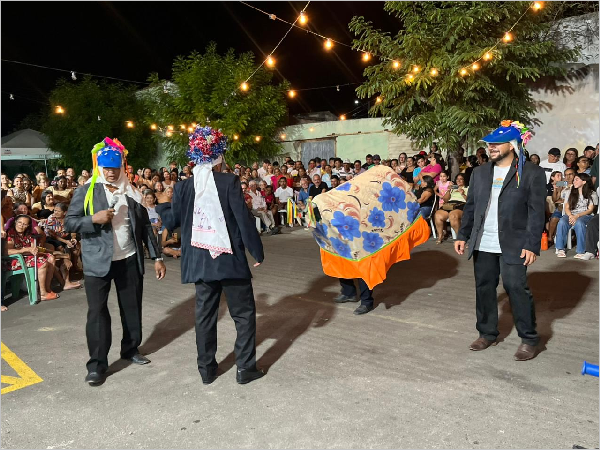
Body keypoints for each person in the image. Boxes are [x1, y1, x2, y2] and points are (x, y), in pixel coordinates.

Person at [156, 127, 265, 386]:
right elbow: (242, 218)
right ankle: (245, 368)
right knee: (243, 314)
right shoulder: (229, 181)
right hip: (229, 260)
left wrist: (162, 205)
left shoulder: (183, 186)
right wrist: (256, 250)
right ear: (218, 157)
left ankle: (206, 370)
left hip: (200, 262)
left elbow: (173, 220)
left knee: (205, 316)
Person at [64, 137, 165, 387]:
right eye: (106, 168)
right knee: (97, 313)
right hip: (97, 262)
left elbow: (145, 227)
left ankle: (130, 349)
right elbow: (69, 222)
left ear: (122, 168)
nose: (111, 172)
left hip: (128, 259)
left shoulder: (132, 193)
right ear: (99, 168)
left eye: (115, 168)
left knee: (131, 308)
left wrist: (157, 257)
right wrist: (93, 219)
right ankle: (97, 365)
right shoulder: (86, 191)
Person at [455, 120, 546, 361]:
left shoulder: (531, 173)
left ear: (512, 145)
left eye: (497, 143)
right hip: (483, 242)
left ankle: (529, 339)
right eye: (489, 144)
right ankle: (486, 333)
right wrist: (463, 235)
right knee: (484, 287)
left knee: (516, 287)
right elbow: (471, 206)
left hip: (515, 242)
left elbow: (537, 212)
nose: (491, 147)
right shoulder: (479, 172)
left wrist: (532, 244)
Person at [3, 214, 59, 301]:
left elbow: (33, 247)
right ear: (15, 222)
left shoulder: (29, 234)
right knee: (42, 262)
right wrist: (25, 249)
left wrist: (34, 249)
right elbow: (7, 252)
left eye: (24, 224)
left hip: (27, 257)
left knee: (51, 258)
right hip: (13, 260)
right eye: (19, 223)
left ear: (28, 225)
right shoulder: (10, 234)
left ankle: (47, 289)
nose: (21, 226)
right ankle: (43, 293)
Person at [555, 173, 595, 258]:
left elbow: (590, 210)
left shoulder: (591, 193)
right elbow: (566, 207)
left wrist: (577, 216)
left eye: (576, 179)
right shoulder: (569, 190)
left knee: (579, 223)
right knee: (562, 222)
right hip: (571, 214)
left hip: (585, 215)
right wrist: (570, 216)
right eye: (566, 175)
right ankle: (560, 249)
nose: (572, 180)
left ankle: (581, 250)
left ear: (584, 182)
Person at [433, 173, 468, 243]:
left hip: (461, 204)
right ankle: (440, 235)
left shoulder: (468, 188)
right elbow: (445, 200)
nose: (459, 181)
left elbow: (469, 201)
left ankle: (460, 237)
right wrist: (448, 190)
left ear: (464, 180)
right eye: (457, 179)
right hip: (449, 204)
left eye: (461, 179)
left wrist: (463, 194)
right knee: (438, 215)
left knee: (453, 215)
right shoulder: (453, 188)